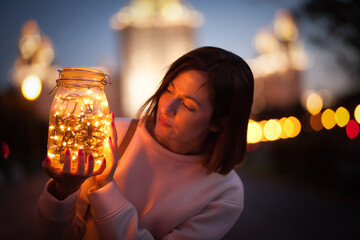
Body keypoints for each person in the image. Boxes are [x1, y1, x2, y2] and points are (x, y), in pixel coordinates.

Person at [35, 46, 254, 240]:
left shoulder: (226, 193)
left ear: (218, 123)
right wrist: (61, 193)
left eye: (188, 105)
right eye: (169, 90)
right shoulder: (110, 137)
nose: (167, 108)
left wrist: (105, 187)